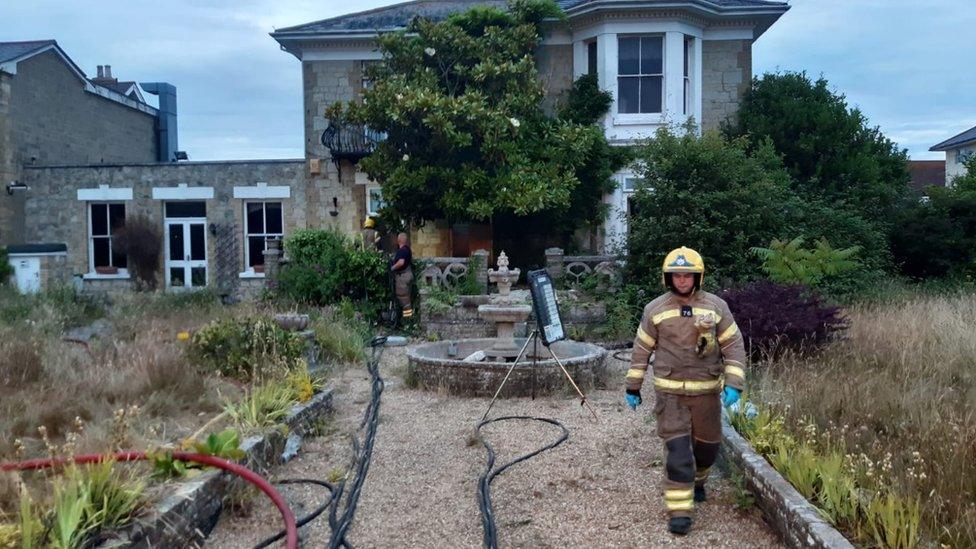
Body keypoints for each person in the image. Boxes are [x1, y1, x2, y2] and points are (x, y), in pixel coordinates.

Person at [624, 246, 747, 536]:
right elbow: (641, 351)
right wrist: (633, 386)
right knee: (678, 453)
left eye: (687, 275)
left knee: (707, 449)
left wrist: (734, 383)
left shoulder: (716, 307)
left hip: (706, 393)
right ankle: (680, 512)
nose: (682, 280)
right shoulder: (654, 310)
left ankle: (699, 481)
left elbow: (734, 346)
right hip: (670, 397)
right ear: (668, 278)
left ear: (697, 276)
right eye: (676, 275)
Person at [390, 232, 414, 320]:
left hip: (403, 277)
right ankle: (408, 319)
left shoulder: (402, 250)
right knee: (407, 297)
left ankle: (407, 320)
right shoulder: (407, 249)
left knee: (403, 298)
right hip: (408, 274)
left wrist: (392, 268)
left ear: (399, 240)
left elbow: (401, 262)